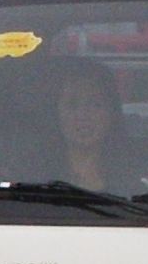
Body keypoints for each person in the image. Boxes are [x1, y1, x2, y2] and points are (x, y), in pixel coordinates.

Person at [51, 59, 122, 193]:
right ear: (56, 112)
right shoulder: (34, 177)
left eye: (95, 104)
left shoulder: (138, 175)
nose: (83, 115)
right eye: (72, 105)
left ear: (112, 112)